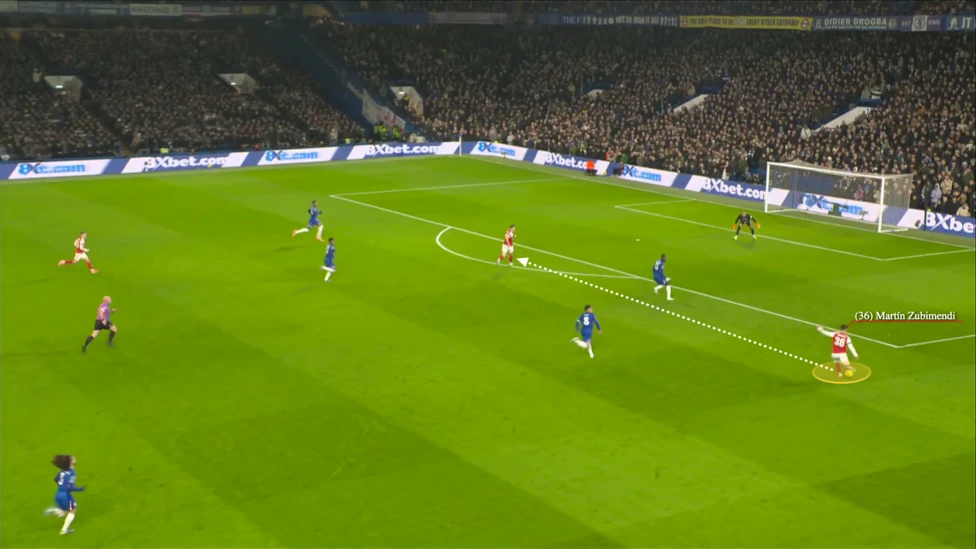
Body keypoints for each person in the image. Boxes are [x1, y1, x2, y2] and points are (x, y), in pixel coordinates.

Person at [44, 454, 84, 535]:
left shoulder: (62, 471)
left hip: (58, 494)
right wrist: (79, 489)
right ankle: (64, 530)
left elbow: (56, 479)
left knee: (64, 512)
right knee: (72, 510)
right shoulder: (72, 473)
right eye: (72, 458)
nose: (74, 458)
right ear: (70, 462)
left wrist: (62, 487)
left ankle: (52, 510)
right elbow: (70, 487)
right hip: (65, 495)